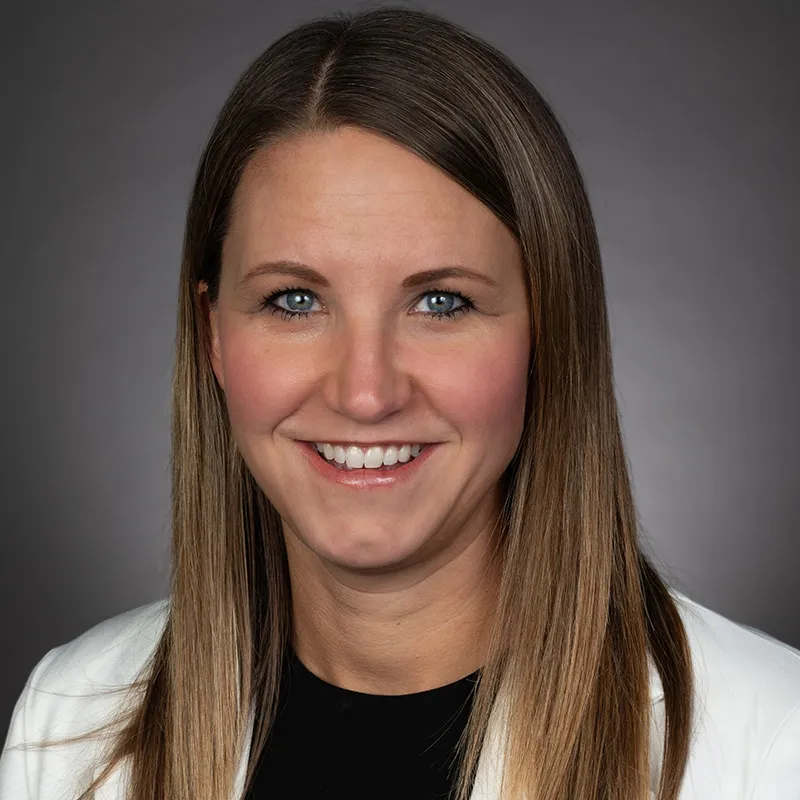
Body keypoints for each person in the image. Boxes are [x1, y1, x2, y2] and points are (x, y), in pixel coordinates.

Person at [1, 5, 798, 799]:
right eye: (294, 301)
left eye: (442, 303)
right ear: (212, 336)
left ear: (550, 333)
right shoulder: (68, 724)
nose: (366, 392)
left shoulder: (774, 742)